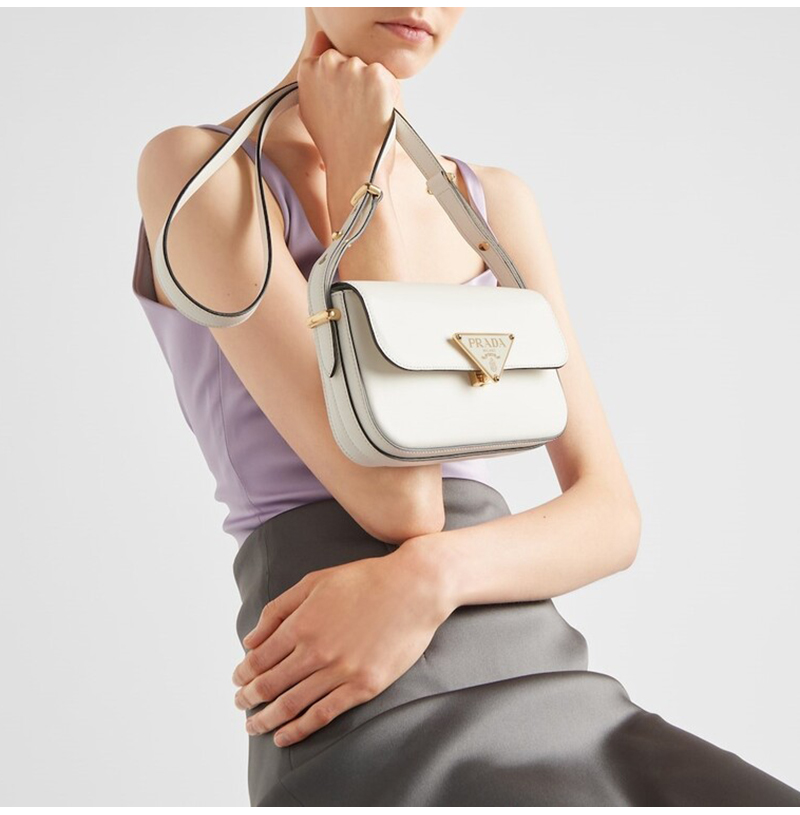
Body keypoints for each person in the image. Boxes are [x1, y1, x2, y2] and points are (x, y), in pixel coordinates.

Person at [132, 8, 800, 806]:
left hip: (552, 681)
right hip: (370, 705)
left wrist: (429, 577)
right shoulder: (201, 171)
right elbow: (401, 501)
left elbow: (611, 517)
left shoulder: (491, 204)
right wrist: (362, 172)